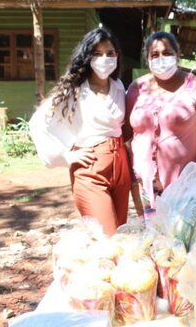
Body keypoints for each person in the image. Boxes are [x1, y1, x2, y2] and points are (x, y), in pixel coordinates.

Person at [29, 28, 131, 236]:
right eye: (97, 53)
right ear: (87, 57)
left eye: (110, 53)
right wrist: (66, 155)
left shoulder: (119, 87)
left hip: (121, 166)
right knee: (106, 237)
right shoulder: (73, 90)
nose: (105, 59)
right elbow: (38, 122)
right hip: (91, 167)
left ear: (117, 56)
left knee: (120, 236)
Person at [123, 32, 196, 219]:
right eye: (155, 54)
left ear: (177, 54)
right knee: (152, 236)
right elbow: (125, 134)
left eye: (167, 53)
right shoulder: (136, 88)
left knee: (182, 237)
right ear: (147, 58)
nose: (161, 58)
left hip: (186, 183)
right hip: (145, 184)